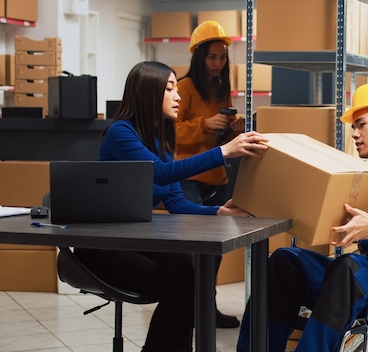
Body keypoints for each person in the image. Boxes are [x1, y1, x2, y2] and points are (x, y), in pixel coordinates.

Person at [236, 83, 368, 352]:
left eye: (361, 125)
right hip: (362, 271)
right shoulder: (362, 175)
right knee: (284, 261)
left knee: (348, 267)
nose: (354, 134)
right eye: (353, 127)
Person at [74, 61, 268, 352]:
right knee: (185, 282)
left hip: (137, 241)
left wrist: (217, 212)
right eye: (170, 89)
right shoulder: (121, 133)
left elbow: (176, 202)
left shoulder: (160, 139)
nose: (178, 97)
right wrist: (224, 151)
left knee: (189, 277)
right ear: (147, 92)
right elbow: (161, 173)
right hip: (105, 246)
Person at [175, 20, 244, 328]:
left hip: (215, 178)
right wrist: (205, 124)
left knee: (213, 253)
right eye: (212, 57)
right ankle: (189, 309)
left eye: (222, 57)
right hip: (189, 178)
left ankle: (208, 310)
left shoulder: (220, 90)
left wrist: (232, 130)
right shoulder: (184, 88)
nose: (218, 63)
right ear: (199, 57)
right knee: (193, 249)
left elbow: (220, 144)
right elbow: (170, 132)